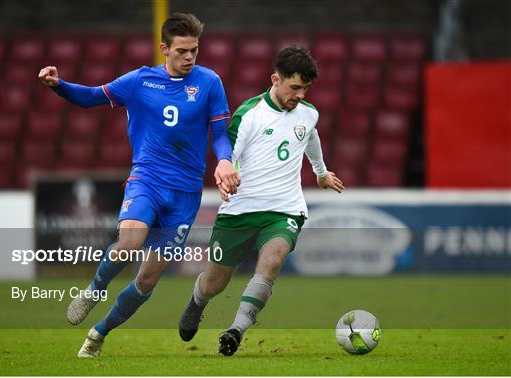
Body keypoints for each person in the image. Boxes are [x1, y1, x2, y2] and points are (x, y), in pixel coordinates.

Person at [38, 12, 239, 358]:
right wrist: (59, 85)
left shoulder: (210, 83)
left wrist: (224, 159)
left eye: (194, 50)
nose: (189, 57)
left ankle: (99, 334)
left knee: (147, 280)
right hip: (147, 179)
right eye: (182, 51)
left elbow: (220, 136)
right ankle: (94, 289)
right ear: (164, 48)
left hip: (185, 196)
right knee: (129, 243)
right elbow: (91, 97)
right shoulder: (140, 81)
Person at [178, 46, 345, 356]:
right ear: (275, 79)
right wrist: (225, 171)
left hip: (284, 209)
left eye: (305, 88)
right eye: (295, 87)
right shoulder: (249, 114)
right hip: (240, 210)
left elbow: (311, 137)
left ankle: (236, 330)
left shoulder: (308, 114)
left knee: (272, 260)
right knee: (215, 283)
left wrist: (321, 173)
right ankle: (198, 301)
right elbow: (229, 155)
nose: (300, 94)